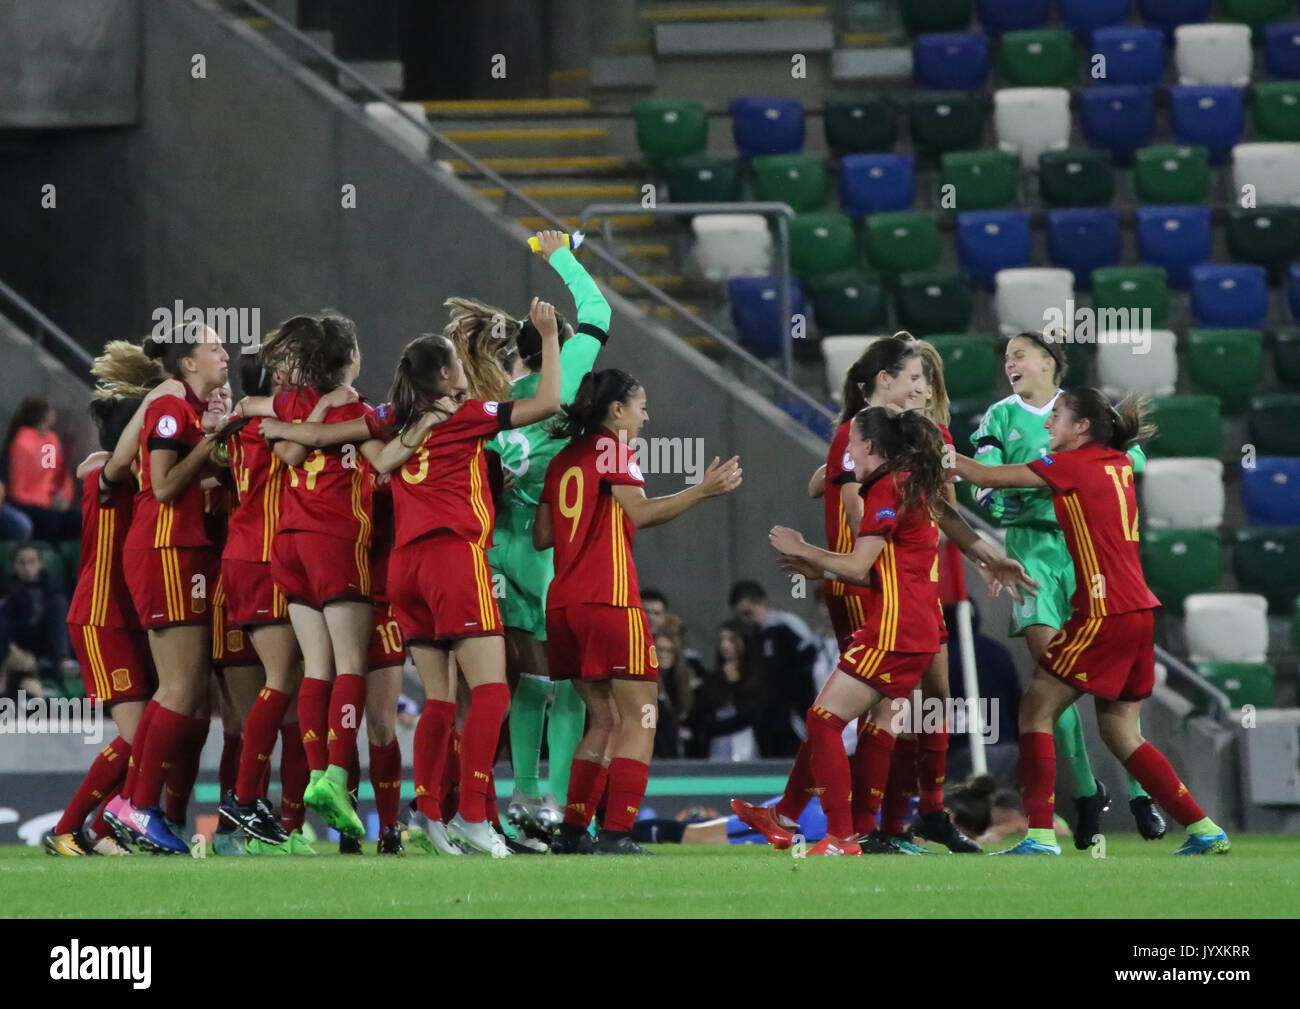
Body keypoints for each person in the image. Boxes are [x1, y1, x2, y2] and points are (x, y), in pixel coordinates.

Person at [733, 406, 1033, 855]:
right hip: (917, 628)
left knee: (825, 720)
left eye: (851, 442)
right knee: (872, 720)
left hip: (895, 629)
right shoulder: (912, 479)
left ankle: (843, 836)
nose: (846, 449)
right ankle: (818, 823)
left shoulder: (887, 487)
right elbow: (902, 554)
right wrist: (989, 556)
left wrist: (806, 549)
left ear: (869, 446)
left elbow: (858, 563)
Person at [954, 389, 1230, 856]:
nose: (1047, 425)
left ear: (1081, 428)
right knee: (1121, 730)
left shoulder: (1071, 466)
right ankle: (1205, 830)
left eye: (1057, 417)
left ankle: (1040, 836)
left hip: (1104, 612)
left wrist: (932, 448)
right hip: (1139, 611)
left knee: (1036, 709)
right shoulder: (1116, 462)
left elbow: (984, 476)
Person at [536, 367, 742, 854]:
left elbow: (542, 536)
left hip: (564, 604)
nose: (646, 417)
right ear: (617, 410)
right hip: (609, 600)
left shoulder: (563, 459)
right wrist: (701, 490)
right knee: (643, 716)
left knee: (603, 720)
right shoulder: (613, 449)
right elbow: (642, 511)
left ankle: (571, 831)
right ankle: (616, 833)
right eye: (641, 406)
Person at [971, 331, 1163, 847]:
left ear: (1049, 362)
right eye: (1005, 354)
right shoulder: (998, 417)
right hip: (1031, 558)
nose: (1009, 361)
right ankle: (1084, 792)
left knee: (1104, 695)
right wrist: (994, 501)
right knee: (1052, 685)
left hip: (1084, 556)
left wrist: (1048, 481)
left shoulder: (1081, 414)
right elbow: (983, 481)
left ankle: (1141, 795)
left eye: (1019, 353)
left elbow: (1132, 462)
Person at [489, 230, 610, 840]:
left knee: (512, 679)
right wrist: (558, 252)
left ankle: (517, 798)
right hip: (557, 547)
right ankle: (557, 803)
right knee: (565, 681)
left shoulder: (493, 404)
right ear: (558, 343)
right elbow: (599, 311)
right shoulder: (572, 377)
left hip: (499, 547)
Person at [102, 324, 230, 855]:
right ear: (188, 364)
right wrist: (213, 447)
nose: (225, 353)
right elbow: (161, 485)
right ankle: (135, 804)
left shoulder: (188, 408)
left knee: (186, 688)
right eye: (214, 347)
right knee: (180, 686)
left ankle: (135, 803)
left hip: (180, 550)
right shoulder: (173, 405)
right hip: (164, 550)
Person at [728, 579, 818, 758]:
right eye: (741, 616)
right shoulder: (751, 637)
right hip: (766, 719)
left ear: (763, 604)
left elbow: (811, 665)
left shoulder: (786, 626)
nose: (746, 620)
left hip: (792, 717)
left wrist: (802, 708)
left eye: (748, 613)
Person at [0, 396, 79, 542]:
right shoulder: (22, 442)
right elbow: (18, 490)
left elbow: (51, 473)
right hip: (24, 503)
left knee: (78, 519)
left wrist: (61, 495)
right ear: (41, 414)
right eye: (49, 410)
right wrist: (47, 502)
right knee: (50, 521)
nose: (54, 413)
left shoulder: (50, 438)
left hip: (46, 501)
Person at [689, 620, 761, 761]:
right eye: (722, 640)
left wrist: (735, 683)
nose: (724, 645)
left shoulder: (758, 675)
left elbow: (751, 712)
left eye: (731, 640)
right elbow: (704, 713)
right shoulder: (712, 678)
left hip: (748, 743)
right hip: (718, 744)